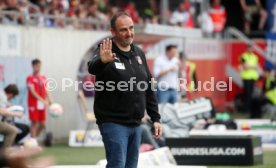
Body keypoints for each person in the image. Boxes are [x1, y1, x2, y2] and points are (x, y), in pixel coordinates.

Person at [88, 12, 162, 168]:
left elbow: (148, 88)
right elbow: (92, 67)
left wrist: (155, 118)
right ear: (113, 32)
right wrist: (102, 61)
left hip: (136, 124)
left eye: (131, 28)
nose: (129, 33)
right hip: (113, 122)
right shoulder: (105, 49)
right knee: (117, 165)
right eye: (123, 30)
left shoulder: (139, 53)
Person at [26, 59, 52, 140]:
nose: (38, 68)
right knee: (34, 122)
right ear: (33, 66)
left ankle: (33, 139)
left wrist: (49, 98)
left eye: (39, 66)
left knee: (42, 124)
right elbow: (32, 92)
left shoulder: (43, 77)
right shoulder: (30, 78)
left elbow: (46, 89)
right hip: (33, 103)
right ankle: (33, 141)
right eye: (37, 66)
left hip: (42, 104)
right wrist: (42, 100)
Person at [239, 44, 261, 114]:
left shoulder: (255, 57)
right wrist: (253, 67)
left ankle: (250, 109)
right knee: (247, 93)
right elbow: (245, 67)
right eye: (249, 48)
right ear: (246, 49)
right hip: (246, 77)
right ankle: (245, 109)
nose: (250, 50)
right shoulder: (243, 56)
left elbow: (257, 66)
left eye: (251, 48)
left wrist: (251, 66)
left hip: (253, 77)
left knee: (251, 94)